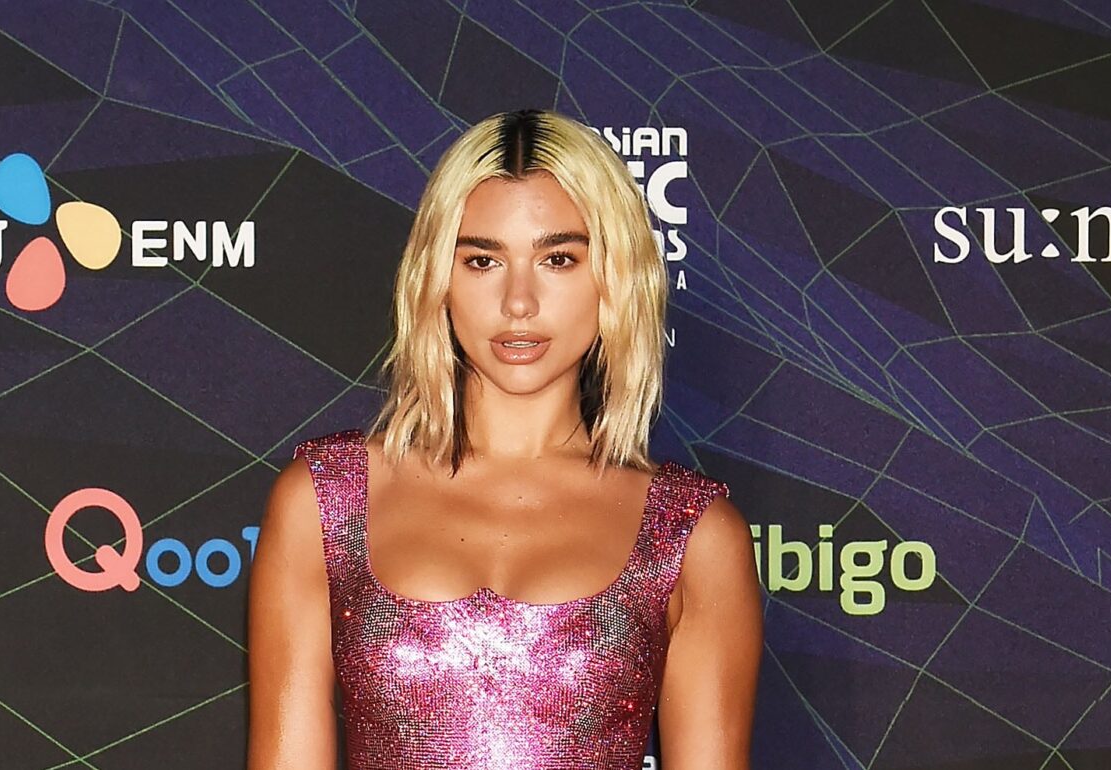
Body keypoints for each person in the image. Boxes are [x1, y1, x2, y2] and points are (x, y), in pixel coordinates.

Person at [246, 108, 762, 769]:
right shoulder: (325, 504)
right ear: (437, 276)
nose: (519, 301)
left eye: (558, 259)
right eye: (483, 260)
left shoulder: (691, 535)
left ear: (615, 275)